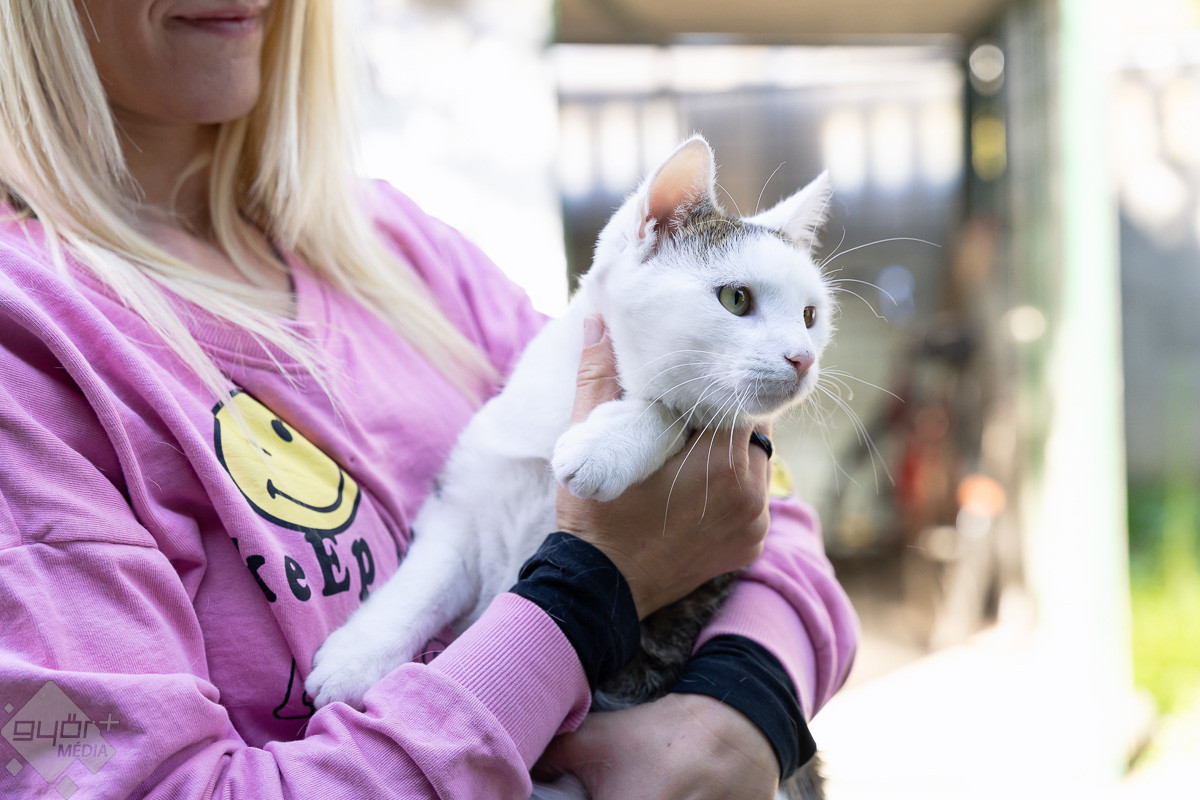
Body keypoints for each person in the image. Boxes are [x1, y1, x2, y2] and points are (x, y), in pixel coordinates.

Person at [0, 1, 858, 798]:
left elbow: (761, 505)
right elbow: (108, 776)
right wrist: (581, 602)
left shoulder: (400, 249)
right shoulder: (27, 343)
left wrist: (740, 709)